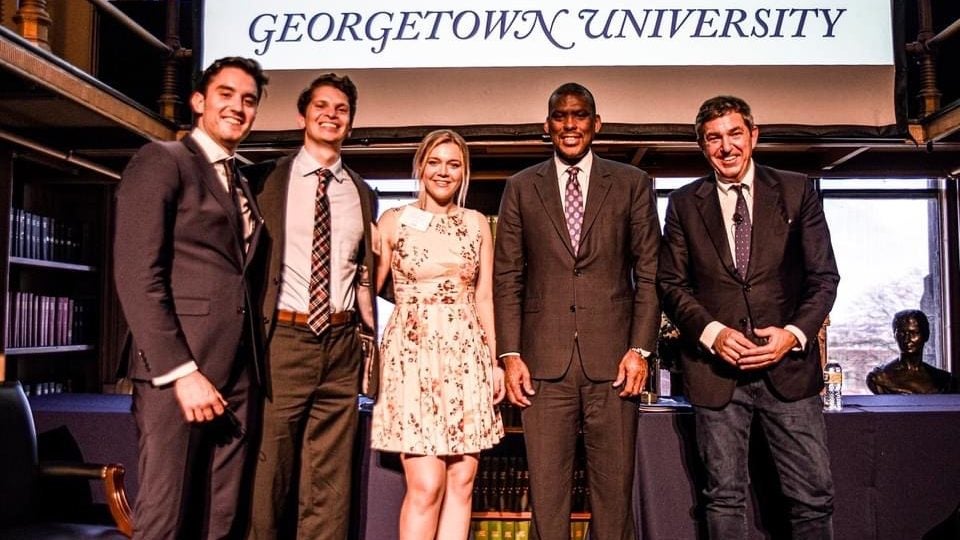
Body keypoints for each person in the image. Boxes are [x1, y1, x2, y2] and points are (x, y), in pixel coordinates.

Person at [657, 95, 841, 538]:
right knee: (723, 499)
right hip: (717, 376)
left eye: (735, 134)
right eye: (714, 138)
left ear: (753, 136)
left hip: (789, 371)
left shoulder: (797, 191)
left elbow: (824, 278)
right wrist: (714, 333)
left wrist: (793, 334)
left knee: (813, 498)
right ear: (703, 147)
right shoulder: (683, 203)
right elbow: (671, 285)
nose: (726, 147)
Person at [493, 83, 661, 539]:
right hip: (542, 366)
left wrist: (640, 350)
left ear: (596, 124)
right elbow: (507, 276)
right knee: (548, 498)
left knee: (614, 495)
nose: (570, 124)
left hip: (615, 364)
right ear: (547, 126)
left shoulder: (631, 184)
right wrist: (510, 355)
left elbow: (649, 274)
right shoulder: (521, 187)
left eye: (580, 115)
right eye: (561, 116)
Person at [113, 56, 269, 539]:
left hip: (240, 370)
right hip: (180, 374)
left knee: (220, 517)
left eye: (248, 100)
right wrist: (182, 372)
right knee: (167, 516)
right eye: (226, 94)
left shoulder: (242, 179)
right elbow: (139, 276)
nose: (238, 107)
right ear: (199, 101)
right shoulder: (164, 160)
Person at [248, 73, 378, 540]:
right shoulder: (265, 179)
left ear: (350, 122)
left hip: (341, 345)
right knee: (272, 470)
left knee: (330, 481)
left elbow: (365, 274)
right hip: (283, 340)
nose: (331, 114)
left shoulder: (362, 192)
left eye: (341, 109)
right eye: (321, 105)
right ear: (303, 114)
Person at [371, 129, 505, 539]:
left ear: (464, 172)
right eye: (435, 162)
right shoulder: (393, 222)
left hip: (467, 355)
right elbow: (368, 291)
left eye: (453, 164)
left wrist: (495, 362)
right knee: (427, 485)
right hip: (413, 357)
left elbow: (484, 297)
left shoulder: (476, 223)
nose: (443, 172)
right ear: (420, 166)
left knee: (462, 483)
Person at [866, 309, 958, 394]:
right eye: (901, 333)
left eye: (914, 333)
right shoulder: (880, 377)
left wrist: (894, 387)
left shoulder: (945, 380)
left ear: (926, 335)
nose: (907, 339)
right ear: (895, 336)